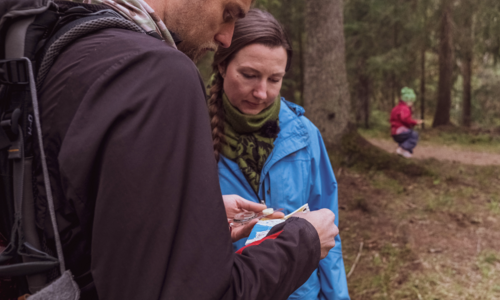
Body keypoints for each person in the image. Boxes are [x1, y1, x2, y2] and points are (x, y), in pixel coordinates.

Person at [33, 0, 340, 299]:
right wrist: (304, 241)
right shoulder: (159, 81)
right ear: (222, 67)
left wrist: (197, 216)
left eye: (275, 79)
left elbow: (99, 220)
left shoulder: (69, 48)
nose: (225, 36)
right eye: (228, 12)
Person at [207, 9, 350, 300]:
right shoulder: (191, 132)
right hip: (231, 290)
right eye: (249, 75)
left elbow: (328, 227)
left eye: (275, 79)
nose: (261, 92)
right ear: (222, 65)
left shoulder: (304, 136)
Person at [390, 87, 424, 158]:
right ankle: (403, 149)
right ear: (406, 100)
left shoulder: (396, 108)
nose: (412, 103)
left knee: (405, 139)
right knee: (414, 135)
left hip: (394, 132)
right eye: (411, 101)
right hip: (400, 131)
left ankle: (404, 153)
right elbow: (405, 119)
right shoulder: (405, 108)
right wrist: (415, 122)